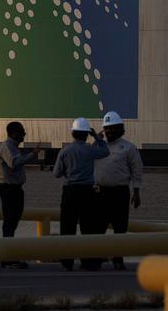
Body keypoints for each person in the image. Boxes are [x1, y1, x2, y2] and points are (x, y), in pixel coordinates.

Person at [53, 116, 109, 271]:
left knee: (67, 227)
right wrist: (96, 136)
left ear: (73, 133)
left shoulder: (65, 152)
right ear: (86, 134)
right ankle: (88, 261)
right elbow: (105, 151)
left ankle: (67, 261)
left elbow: (56, 173)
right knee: (88, 227)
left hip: (70, 192)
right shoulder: (90, 150)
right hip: (87, 192)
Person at [94, 111, 143, 271]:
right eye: (107, 129)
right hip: (100, 193)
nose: (110, 131)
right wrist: (96, 140)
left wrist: (136, 191)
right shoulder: (97, 147)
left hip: (120, 193)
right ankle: (97, 258)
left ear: (120, 129)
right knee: (98, 228)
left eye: (113, 128)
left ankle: (117, 259)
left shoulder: (128, 147)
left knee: (120, 228)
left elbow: (137, 169)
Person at [0, 120, 43, 269]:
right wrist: (32, 155)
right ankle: (6, 256)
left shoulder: (13, 147)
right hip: (9, 189)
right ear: (14, 133)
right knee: (10, 221)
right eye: (22, 132)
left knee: (12, 221)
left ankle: (8, 254)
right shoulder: (7, 147)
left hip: (14, 189)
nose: (24, 134)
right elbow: (14, 163)